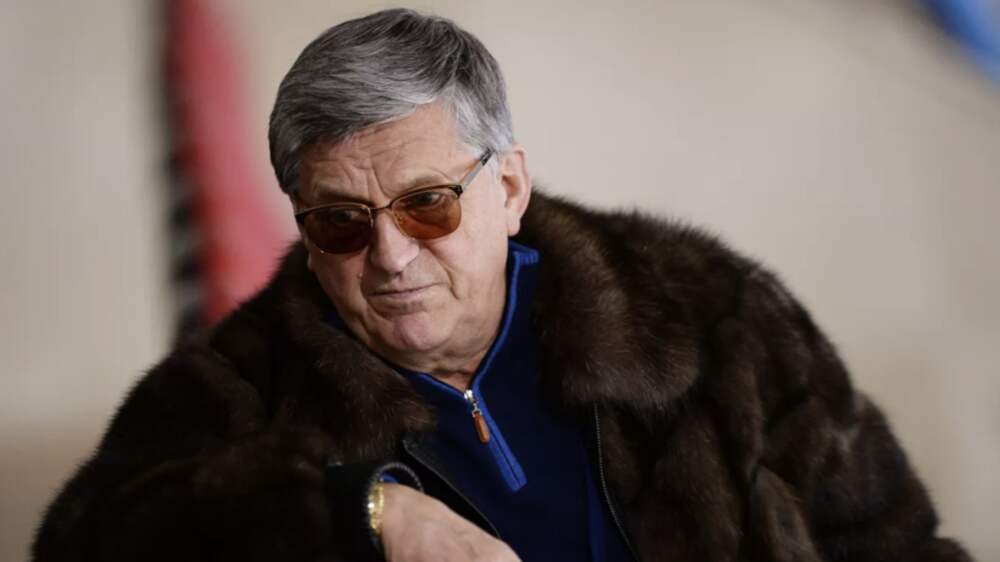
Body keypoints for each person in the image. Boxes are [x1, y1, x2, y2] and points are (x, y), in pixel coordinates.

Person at [34, 8, 971, 562]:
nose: (391, 258)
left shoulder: (703, 313)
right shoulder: (244, 384)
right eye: (342, 222)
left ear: (510, 187)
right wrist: (366, 513)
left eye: (428, 205)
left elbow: (893, 544)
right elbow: (87, 535)